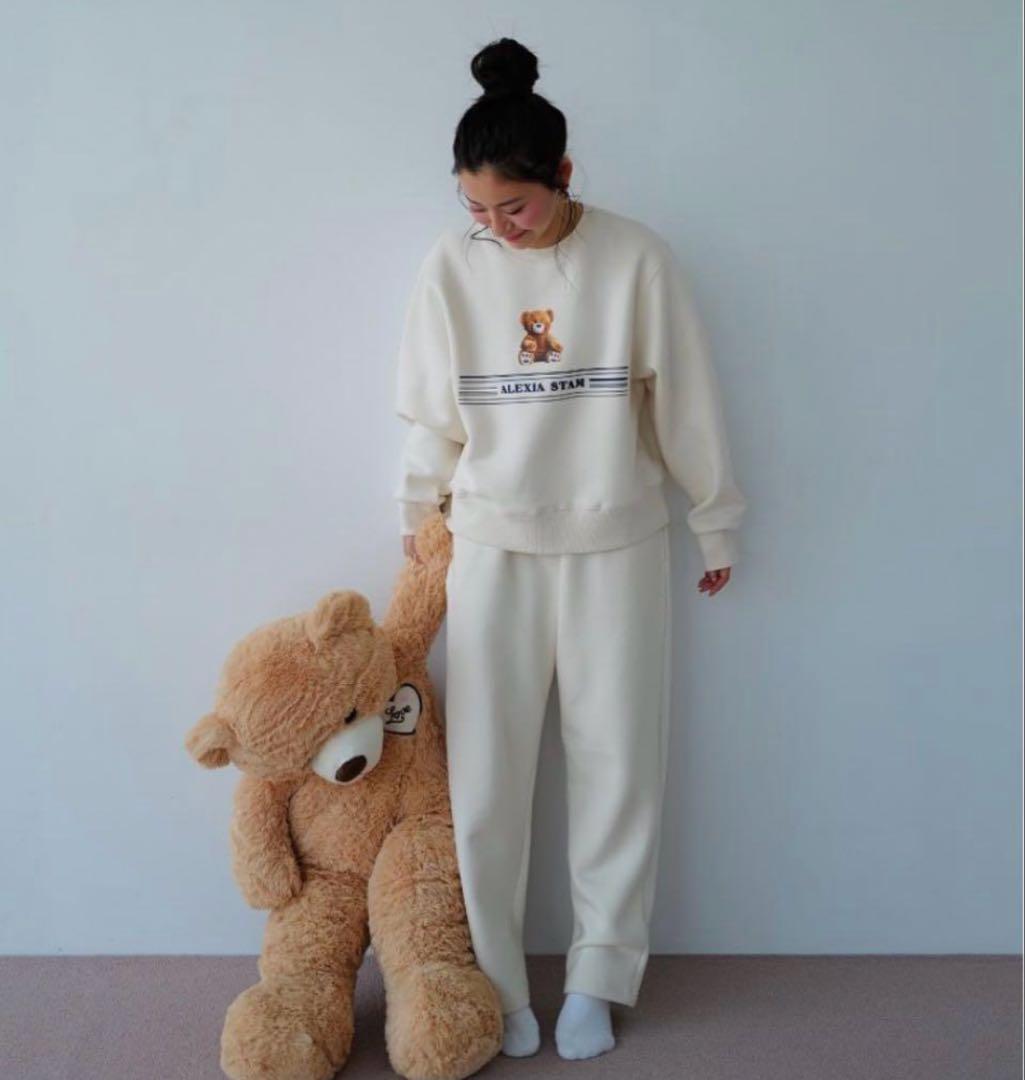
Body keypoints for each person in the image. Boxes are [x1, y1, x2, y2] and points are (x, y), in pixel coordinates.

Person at [392, 37, 746, 1061]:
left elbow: (684, 402)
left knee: (617, 764)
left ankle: (599, 974)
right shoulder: (450, 266)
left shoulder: (636, 259)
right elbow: (429, 413)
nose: (495, 227)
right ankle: (497, 984)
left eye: (514, 206)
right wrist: (415, 511)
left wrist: (714, 516)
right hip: (488, 545)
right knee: (485, 782)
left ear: (563, 175)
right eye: (476, 208)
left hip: (616, 544)